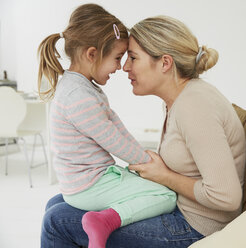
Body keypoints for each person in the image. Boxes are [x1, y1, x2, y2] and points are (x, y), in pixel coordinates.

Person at [41, 15, 246, 248]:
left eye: (133, 57)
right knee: (57, 203)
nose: (125, 67)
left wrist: (166, 177)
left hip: (195, 226)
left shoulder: (195, 106)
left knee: (56, 221)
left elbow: (226, 197)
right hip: (181, 210)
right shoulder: (181, 100)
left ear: (165, 63)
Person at [37, 5, 176, 248]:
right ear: (92, 54)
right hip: (89, 184)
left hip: (86, 180)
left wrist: (144, 160)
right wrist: (146, 163)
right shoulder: (78, 96)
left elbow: (116, 127)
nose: (119, 67)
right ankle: (105, 221)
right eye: (116, 58)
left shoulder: (82, 87)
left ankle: (104, 218)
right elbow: (111, 139)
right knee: (165, 195)